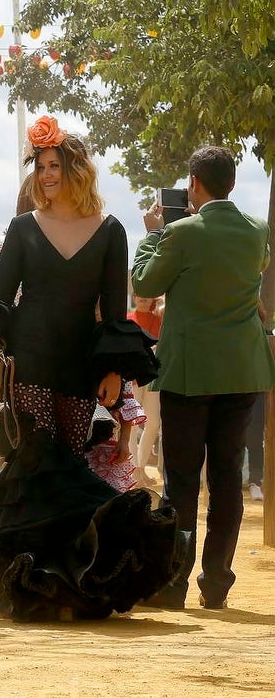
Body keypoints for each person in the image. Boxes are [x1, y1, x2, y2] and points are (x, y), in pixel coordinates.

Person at [0, 115, 180, 621]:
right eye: (40, 167)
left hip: (80, 368)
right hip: (29, 363)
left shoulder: (111, 231)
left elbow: (114, 312)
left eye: (54, 166)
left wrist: (114, 372)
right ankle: (24, 580)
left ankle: (65, 581)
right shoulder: (23, 227)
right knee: (35, 464)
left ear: (77, 170)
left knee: (68, 465)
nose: (46, 175)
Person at [132, 145, 275, 609]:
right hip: (241, 370)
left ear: (194, 183)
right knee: (229, 478)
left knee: (182, 480)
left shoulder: (181, 232)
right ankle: (217, 584)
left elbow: (145, 284)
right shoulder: (257, 231)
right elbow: (257, 266)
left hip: (190, 374)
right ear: (232, 183)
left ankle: (174, 585)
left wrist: (154, 234)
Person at [127, 295, 164, 485]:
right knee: (131, 423)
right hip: (133, 377)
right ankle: (134, 469)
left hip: (153, 377)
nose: (143, 298)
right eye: (140, 295)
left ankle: (140, 467)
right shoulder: (128, 318)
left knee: (153, 423)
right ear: (134, 297)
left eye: (147, 296)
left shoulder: (159, 321)